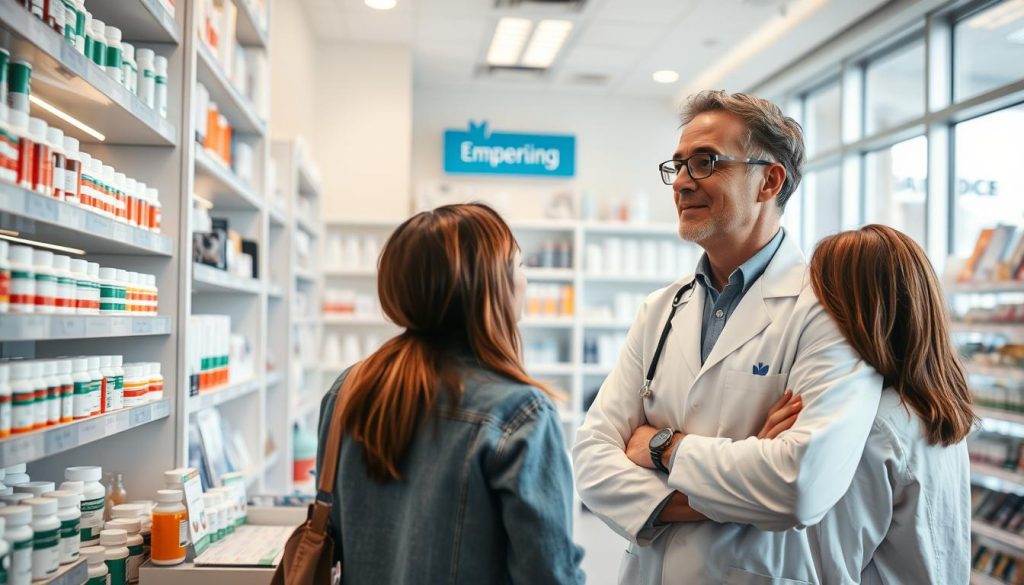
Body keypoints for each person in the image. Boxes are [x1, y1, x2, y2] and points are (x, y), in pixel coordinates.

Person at [573, 90, 883, 584]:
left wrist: (661, 448)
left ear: (769, 180)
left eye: (705, 162)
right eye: (677, 166)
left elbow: (800, 485)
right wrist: (738, 478)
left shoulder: (829, 310)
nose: (681, 184)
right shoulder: (659, 310)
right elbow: (591, 463)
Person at [628, 225, 975, 583]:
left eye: (822, 302)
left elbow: (813, 555)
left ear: (856, 311)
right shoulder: (933, 412)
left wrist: (752, 453)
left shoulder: (867, 426)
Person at [316, 203, 585, 584]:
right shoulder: (519, 412)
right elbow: (549, 574)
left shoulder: (348, 390)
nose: (525, 280)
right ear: (490, 284)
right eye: (519, 266)